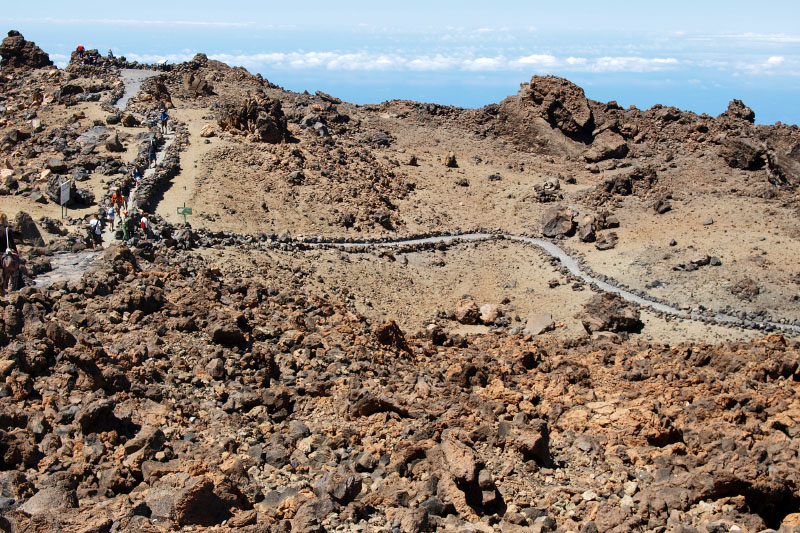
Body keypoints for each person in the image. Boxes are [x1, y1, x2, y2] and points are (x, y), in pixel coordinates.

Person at [0, 212, 19, 297]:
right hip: (4, 256)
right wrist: (16, 254)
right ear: (4, 220)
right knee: (5, 274)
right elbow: (12, 244)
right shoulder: (7, 230)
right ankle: (2, 292)